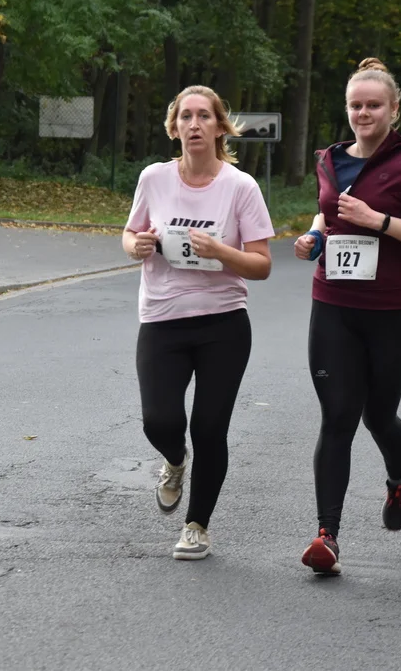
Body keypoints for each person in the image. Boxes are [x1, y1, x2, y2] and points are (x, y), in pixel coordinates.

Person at [293, 58, 401, 575]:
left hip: (391, 309)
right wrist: (316, 235)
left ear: (393, 109)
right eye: (356, 105)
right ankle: (327, 537)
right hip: (333, 303)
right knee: (337, 418)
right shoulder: (331, 161)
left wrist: (378, 221)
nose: (364, 113)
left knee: (377, 416)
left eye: (374, 105)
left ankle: (399, 475)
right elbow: (327, 210)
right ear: (347, 109)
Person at [122, 85, 275, 560]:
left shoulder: (240, 186)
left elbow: (262, 264)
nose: (194, 124)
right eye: (185, 116)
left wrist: (220, 251)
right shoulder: (154, 178)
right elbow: (130, 235)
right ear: (174, 128)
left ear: (219, 127)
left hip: (223, 324)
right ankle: (173, 459)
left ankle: (197, 525)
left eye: (204, 116)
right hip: (163, 320)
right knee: (159, 421)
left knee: (210, 428)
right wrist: (137, 246)